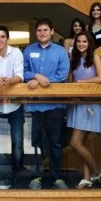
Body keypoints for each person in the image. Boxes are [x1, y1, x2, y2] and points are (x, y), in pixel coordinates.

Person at [24, 18, 70, 190]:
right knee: (35, 142)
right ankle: (36, 176)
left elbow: (63, 75)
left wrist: (44, 80)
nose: (42, 33)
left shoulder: (60, 52)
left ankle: (56, 177)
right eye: (39, 30)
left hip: (54, 105)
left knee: (55, 143)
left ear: (52, 31)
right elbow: (23, 71)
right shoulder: (28, 50)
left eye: (45, 30)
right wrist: (35, 76)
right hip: (34, 106)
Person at [67, 30, 101, 189]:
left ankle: (96, 171)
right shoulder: (73, 59)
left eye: (84, 41)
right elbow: (69, 80)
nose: (81, 44)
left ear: (89, 43)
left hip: (90, 104)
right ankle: (87, 177)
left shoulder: (95, 57)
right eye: (79, 41)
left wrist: (80, 81)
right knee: (83, 143)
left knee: (75, 142)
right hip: (77, 103)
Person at [0, 25, 24, 189]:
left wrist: (8, 82)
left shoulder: (16, 53)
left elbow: (20, 75)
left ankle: (17, 174)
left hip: (15, 106)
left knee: (17, 143)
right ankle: (5, 176)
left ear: (7, 38)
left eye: (2, 36)